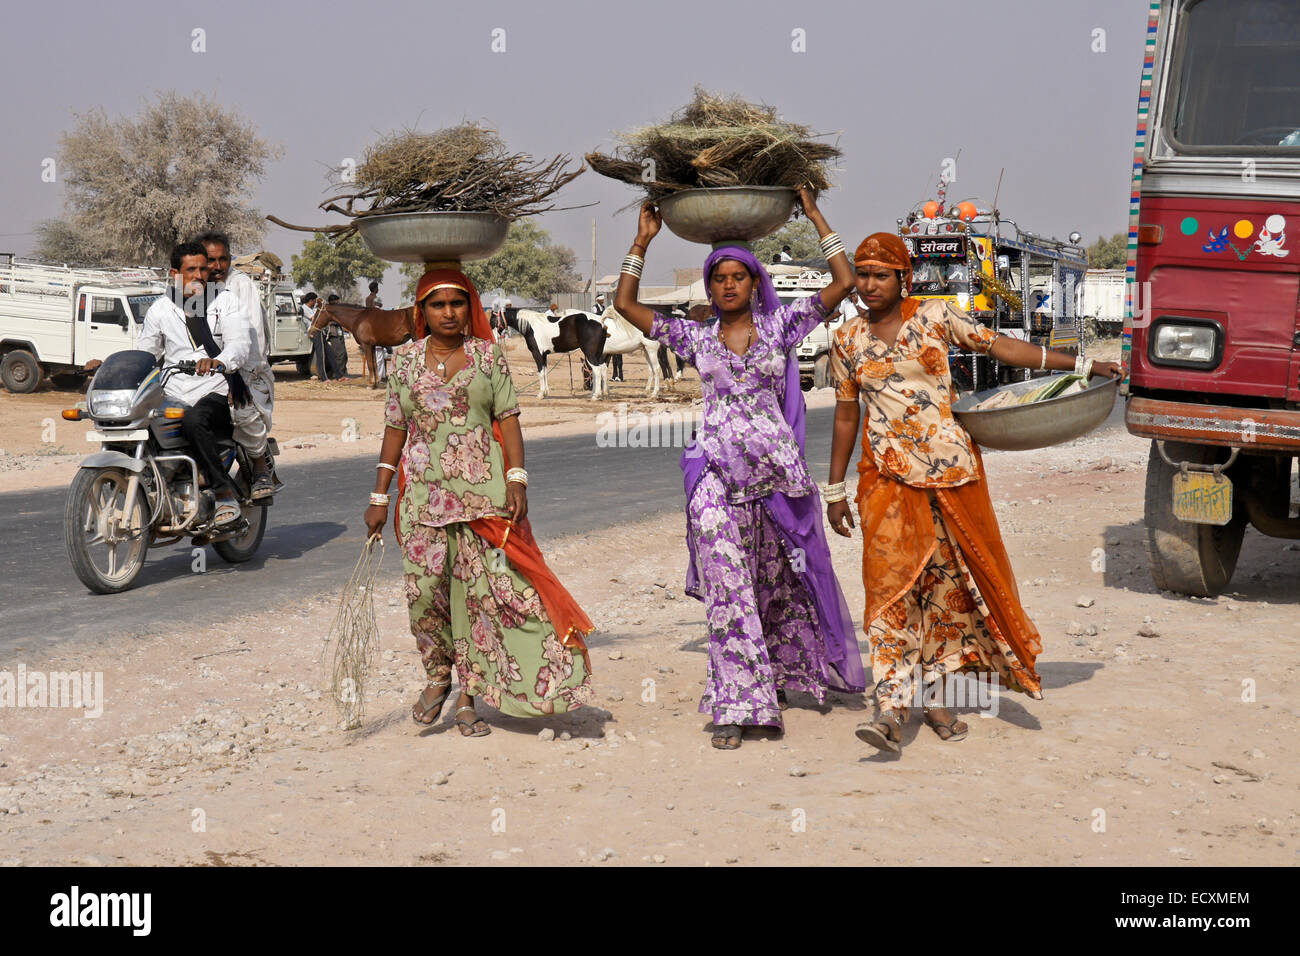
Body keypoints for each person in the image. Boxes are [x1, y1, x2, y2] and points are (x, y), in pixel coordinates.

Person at [825, 233, 1121, 753]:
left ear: (904, 278)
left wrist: (1081, 366)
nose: (868, 285)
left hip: (951, 478)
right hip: (886, 484)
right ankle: (892, 707)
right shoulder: (847, 339)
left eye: (880, 274)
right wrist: (833, 489)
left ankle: (936, 699)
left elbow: (1001, 346)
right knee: (888, 589)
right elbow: (846, 414)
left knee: (947, 590)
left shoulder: (937, 317)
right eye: (863, 274)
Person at [613, 191, 866, 750]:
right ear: (709, 287)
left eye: (738, 276)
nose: (728, 285)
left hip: (776, 482)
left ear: (755, 283)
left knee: (774, 588)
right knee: (729, 592)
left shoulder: (781, 329)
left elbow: (845, 282)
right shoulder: (695, 338)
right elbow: (626, 306)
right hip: (715, 480)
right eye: (719, 278)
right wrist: (642, 241)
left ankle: (773, 680)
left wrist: (817, 216)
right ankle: (737, 706)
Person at [364, 268, 595, 734]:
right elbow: (395, 429)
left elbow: (508, 420)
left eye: (457, 303)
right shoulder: (404, 362)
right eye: (437, 304)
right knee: (425, 594)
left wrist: (517, 479)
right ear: (421, 312)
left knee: (481, 599)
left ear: (470, 307)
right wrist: (379, 495)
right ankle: (437, 676)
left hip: (483, 500)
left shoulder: (489, 358)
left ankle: (468, 696)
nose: (448, 312)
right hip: (423, 501)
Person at [137, 241, 251, 527]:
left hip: (213, 388)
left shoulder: (224, 301)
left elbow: (239, 345)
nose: (200, 275)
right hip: (172, 390)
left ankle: (223, 493)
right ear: (175, 274)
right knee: (138, 419)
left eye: (203, 268)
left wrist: (219, 361)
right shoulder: (160, 309)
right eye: (192, 270)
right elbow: (145, 353)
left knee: (193, 420)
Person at [199, 232, 277, 498]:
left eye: (223, 259)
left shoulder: (240, 285)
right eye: (211, 260)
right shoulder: (190, 288)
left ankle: (258, 465)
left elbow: (252, 338)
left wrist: (238, 377)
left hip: (246, 370)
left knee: (241, 410)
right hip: (202, 372)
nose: (218, 266)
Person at [303, 292, 331, 380]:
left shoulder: (310, 309)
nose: (315, 303)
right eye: (314, 301)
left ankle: (337, 374)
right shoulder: (304, 309)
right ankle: (323, 377)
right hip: (314, 331)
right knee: (320, 354)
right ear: (311, 300)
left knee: (329, 353)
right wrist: (319, 308)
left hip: (318, 331)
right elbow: (314, 319)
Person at [325, 294, 349, 378]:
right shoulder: (328, 311)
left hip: (339, 333)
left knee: (344, 355)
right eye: (337, 301)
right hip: (333, 334)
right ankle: (338, 374)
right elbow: (329, 322)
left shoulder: (337, 311)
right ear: (333, 301)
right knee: (339, 355)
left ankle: (343, 372)